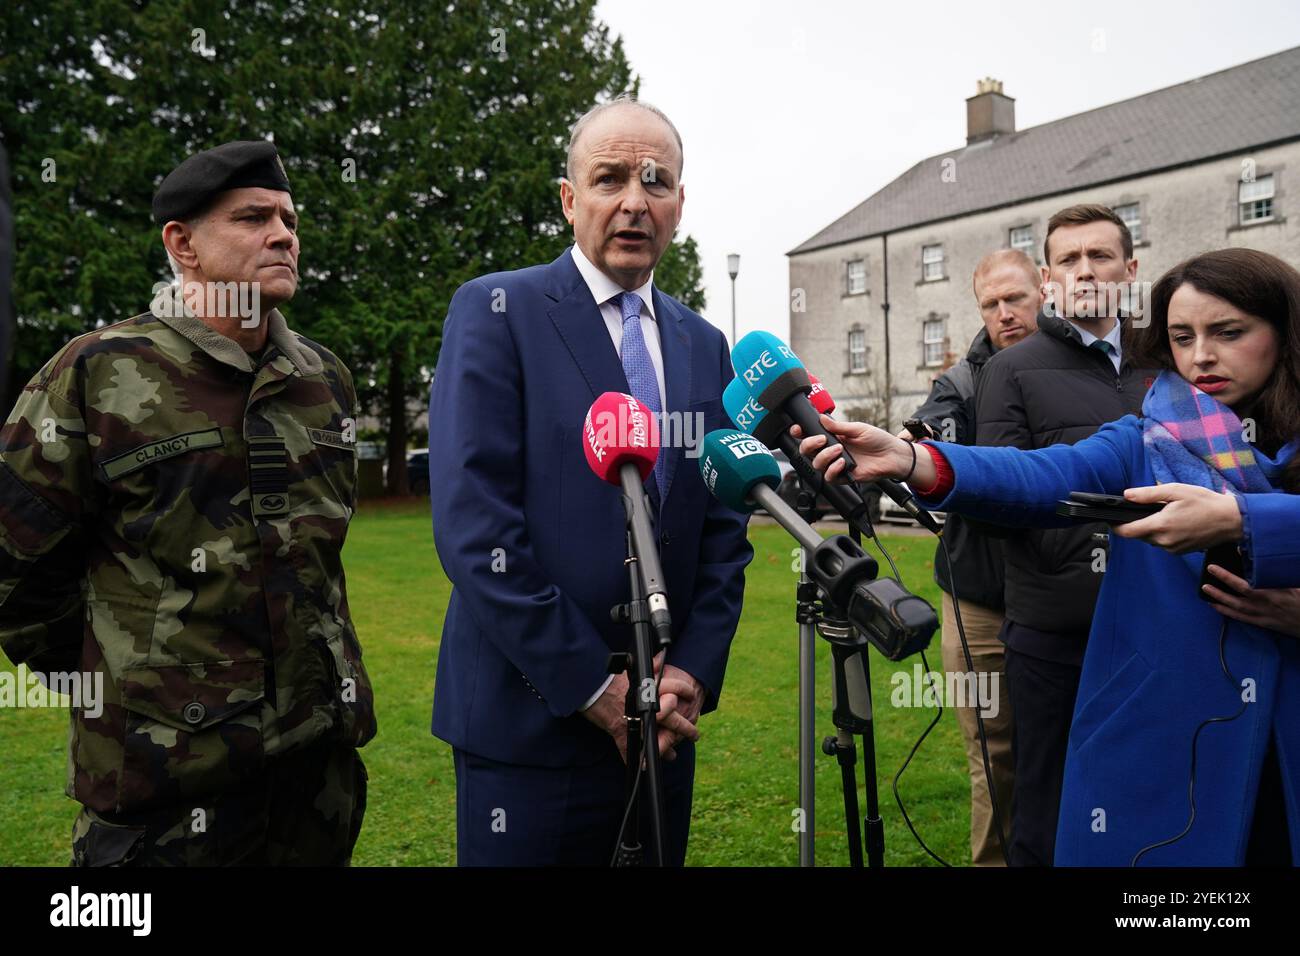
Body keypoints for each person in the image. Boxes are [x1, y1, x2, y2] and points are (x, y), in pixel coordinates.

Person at [797, 247, 1300, 866]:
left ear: (1283, 330)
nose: (1201, 356)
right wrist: (912, 460)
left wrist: (1242, 520)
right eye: (1181, 336)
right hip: (1182, 734)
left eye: (1228, 332)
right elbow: (1044, 476)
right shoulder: (1150, 434)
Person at [0, 140, 375, 866]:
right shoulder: (97, 373)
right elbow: (17, 578)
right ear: (183, 244)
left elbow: (322, 562)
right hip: (165, 801)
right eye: (253, 218)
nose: (283, 236)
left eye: (290, 221)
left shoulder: (323, 380)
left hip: (314, 785)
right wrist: (131, 685)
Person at [427, 97, 752, 866]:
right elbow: (475, 529)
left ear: (679, 204)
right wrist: (591, 687)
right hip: (529, 731)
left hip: (664, 729)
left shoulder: (706, 344)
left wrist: (692, 673)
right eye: (609, 178)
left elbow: (724, 532)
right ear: (570, 200)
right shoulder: (496, 311)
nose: (634, 201)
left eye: (656, 181)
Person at [970, 203, 1156, 865]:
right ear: (1048, 279)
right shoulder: (1010, 371)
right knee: (1045, 811)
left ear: (1129, 269)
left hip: (1158, 628)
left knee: (1150, 803)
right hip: (1055, 635)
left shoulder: (1167, 361)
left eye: (1100, 256)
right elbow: (994, 499)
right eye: (1069, 260)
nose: (1085, 271)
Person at [902, 248, 1041, 866]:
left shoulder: (1077, 371)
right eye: (991, 304)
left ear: (1044, 290)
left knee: (1067, 747)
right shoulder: (959, 383)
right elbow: (933, 440)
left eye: (1017, 298)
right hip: (979, 600)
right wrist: (914, 452)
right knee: (993, 758)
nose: (1005, 313)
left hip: (1068, 596)